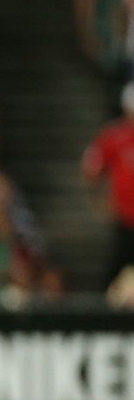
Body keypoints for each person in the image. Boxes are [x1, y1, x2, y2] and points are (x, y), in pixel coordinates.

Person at [83, 81, 134, 288]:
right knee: (118, 264)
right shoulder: (113, 137)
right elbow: (91, 169)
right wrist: (99, 202)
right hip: (124, 217)